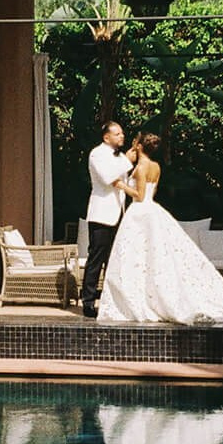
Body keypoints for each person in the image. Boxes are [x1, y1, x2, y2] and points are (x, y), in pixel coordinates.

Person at [98, 133, 223, 324]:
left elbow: (139, 195)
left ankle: (142, 300)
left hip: (139, 212)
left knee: (136, 255)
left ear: (139, 147)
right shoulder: (156, 166)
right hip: (152, 209)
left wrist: (121, 185)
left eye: (135, 144)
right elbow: (151, 192)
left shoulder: (142, 167)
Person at [80, 120, 134, 319]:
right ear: (106, 137)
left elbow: (123, 181)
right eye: (118, 134)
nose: (122, 136)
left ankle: (112, 301)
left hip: (118, 213)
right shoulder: (97, 154)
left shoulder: (119, 157)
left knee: (114, 259)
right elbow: (107, 177)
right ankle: (88, 301)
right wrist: (127, 160)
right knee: (97, 258)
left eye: (122, 133)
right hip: (102, 214)